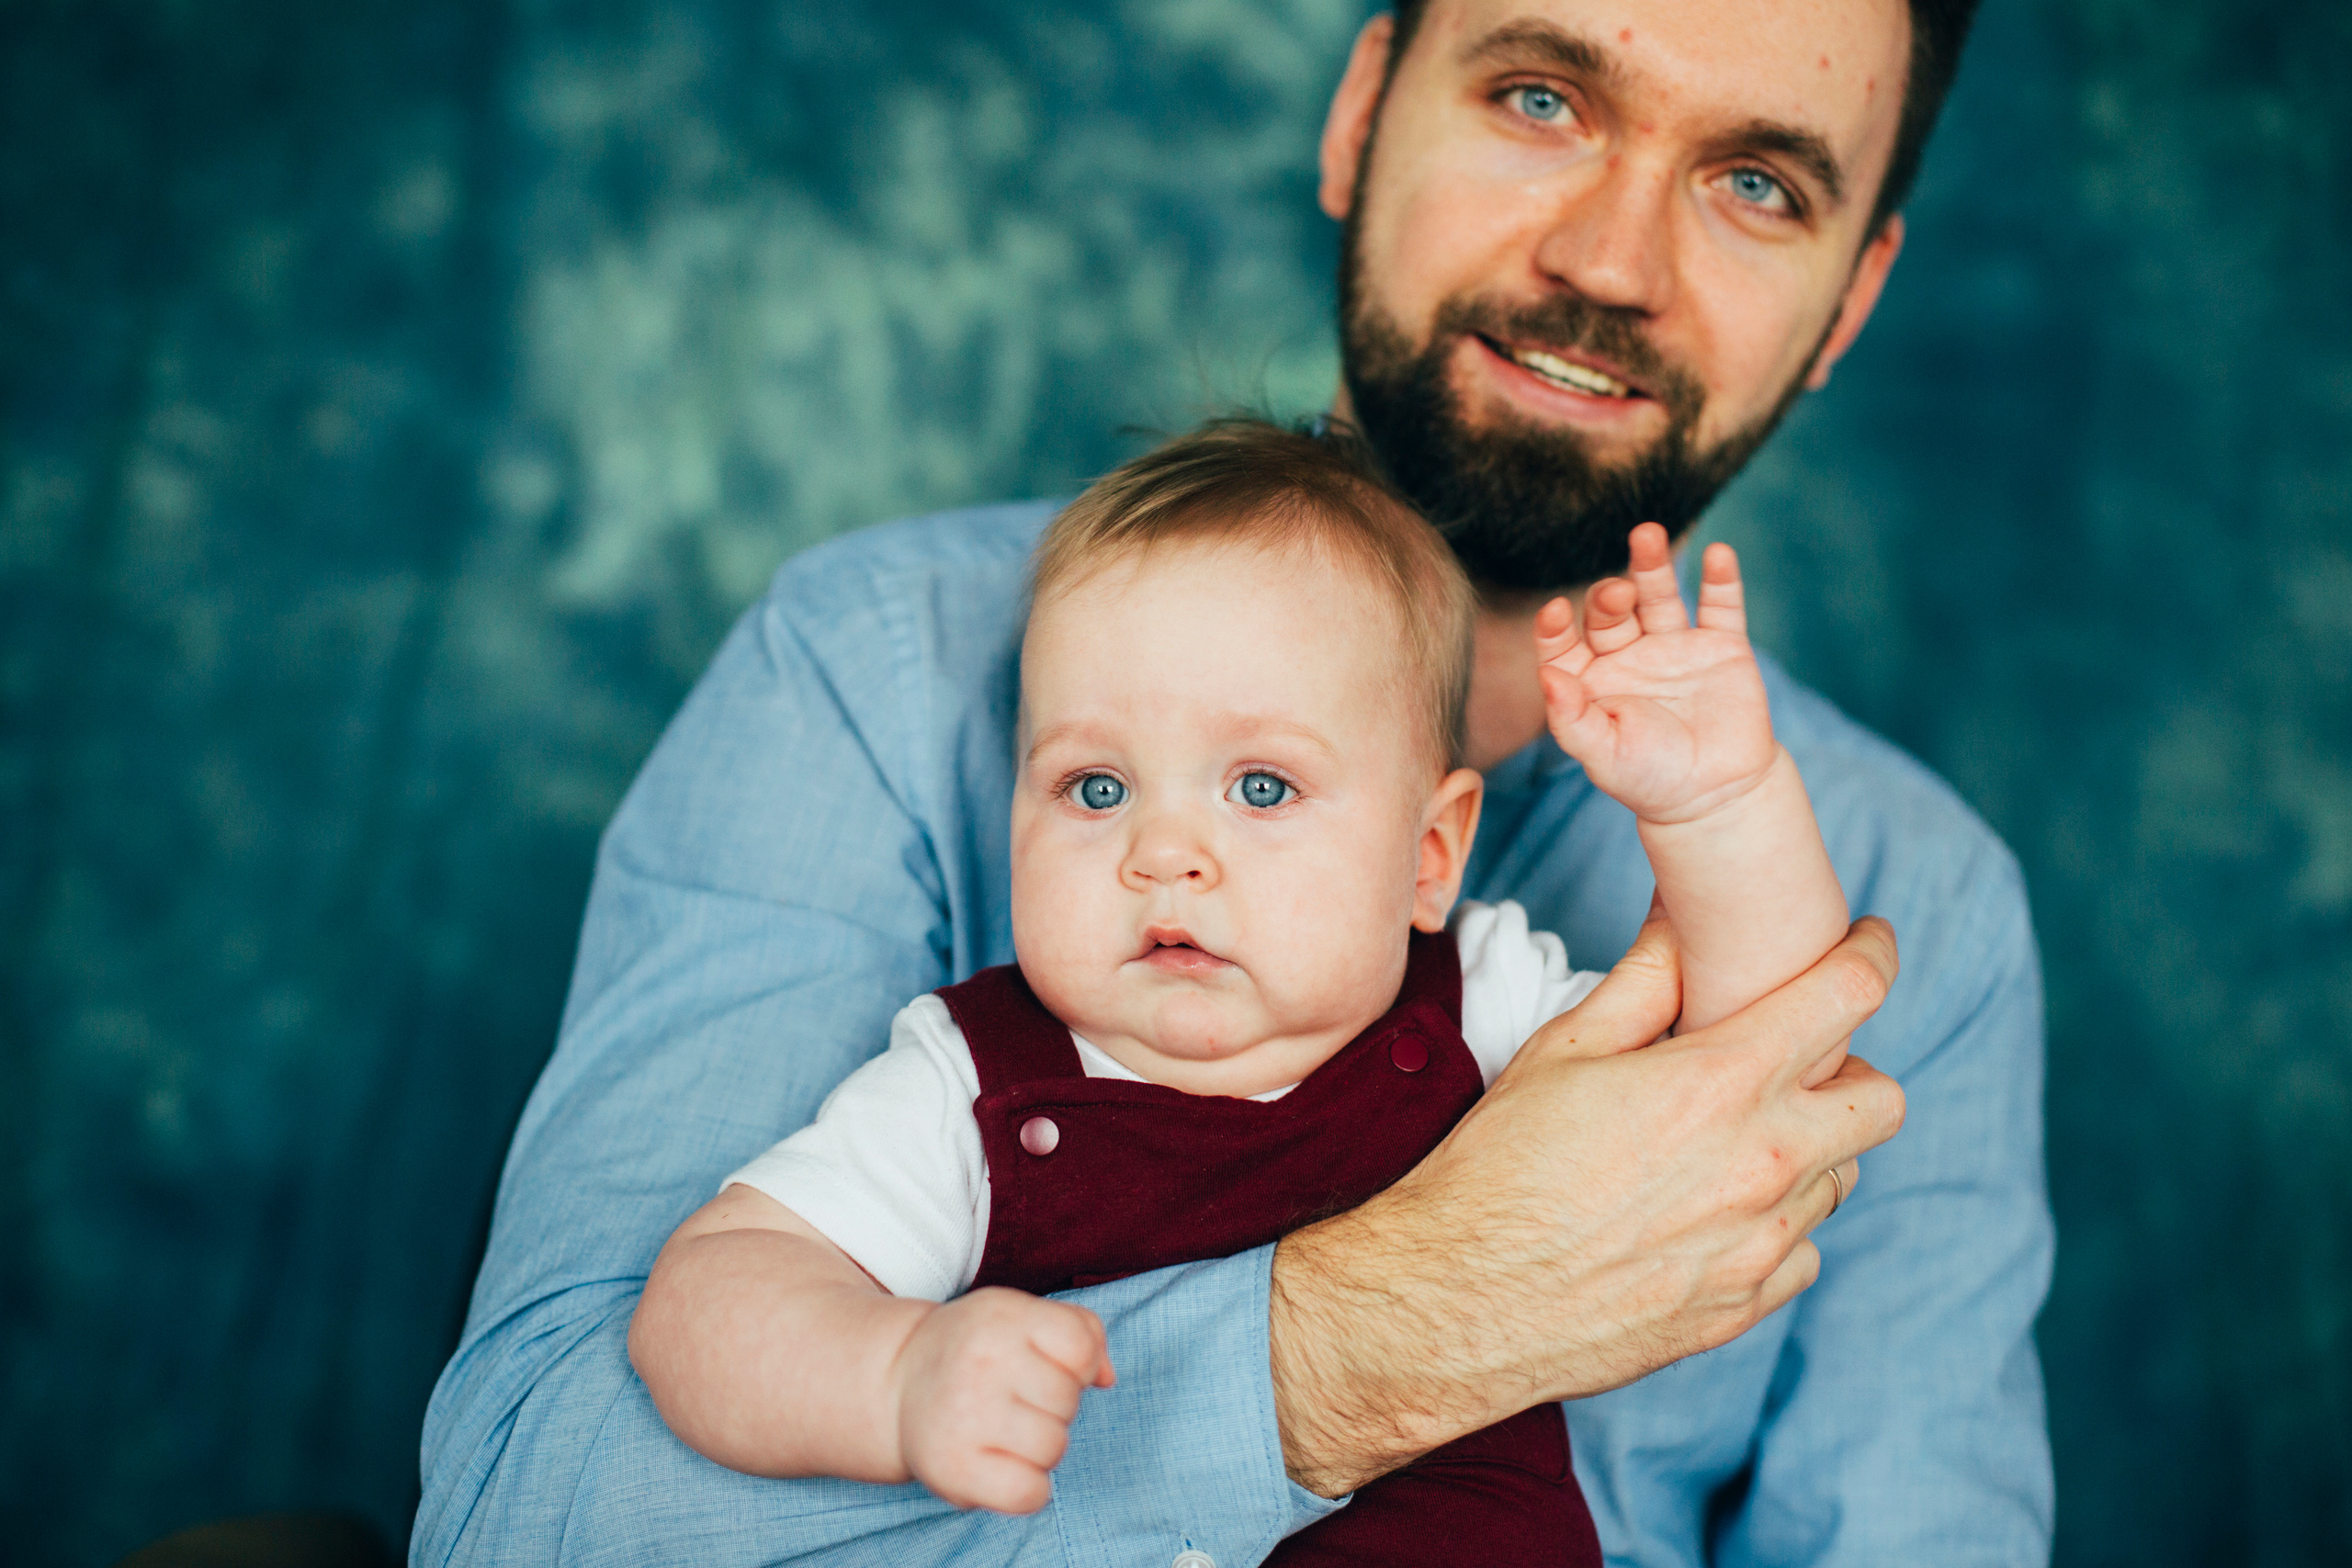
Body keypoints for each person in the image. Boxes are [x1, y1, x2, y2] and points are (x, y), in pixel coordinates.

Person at [416, 2, 2053, 1563]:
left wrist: (1715, 806)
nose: (1609, 263)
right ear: (1360, 116)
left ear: (1848, 302)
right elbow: (521, 1519)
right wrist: (1378, 1333)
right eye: (1541, 98)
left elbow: (1769, 1083)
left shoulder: (1923, 898)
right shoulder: (877, 680)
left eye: (1754, 183)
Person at [623, 419, 1851, 1566]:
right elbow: (706, 1301)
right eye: (1096, 788)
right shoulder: (973, 1088)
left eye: (1261, 788)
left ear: (1430, 855)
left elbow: (1754, 1066)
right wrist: (891, 1380)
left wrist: (1720, 807)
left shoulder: (1483, 1002)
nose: (1164, 852)